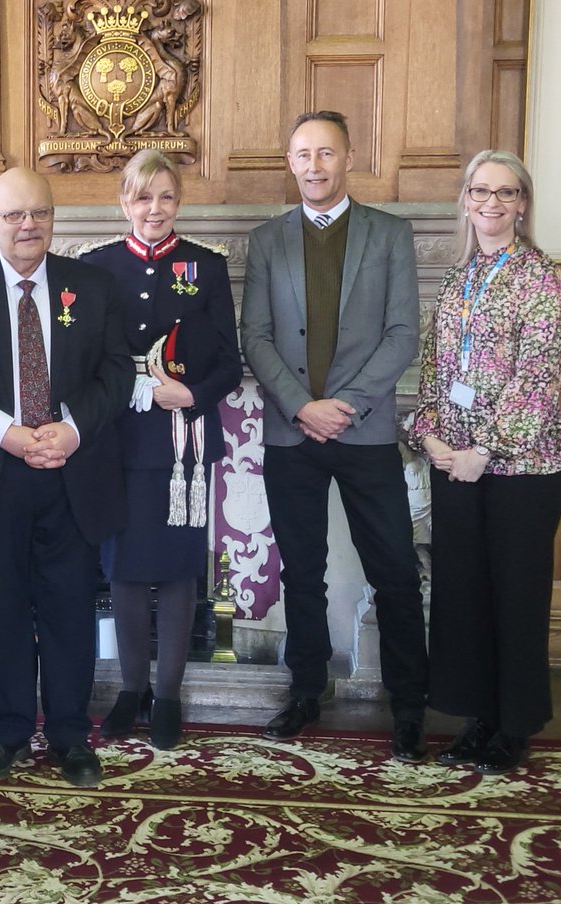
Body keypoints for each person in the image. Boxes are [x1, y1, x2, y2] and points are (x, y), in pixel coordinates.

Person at [0, 167, 134, 788]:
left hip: (72, 472)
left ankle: (70, 736)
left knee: (70, 610)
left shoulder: (91, 286)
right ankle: (9, 730)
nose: (27, 225)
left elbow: (117, 375)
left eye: (38, 213)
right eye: (13, 215)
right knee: (1, 610)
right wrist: (8, 433)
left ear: (53, 218)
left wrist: (70, 429)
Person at [240, 110, 429, 762]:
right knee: (303, 574)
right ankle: (305, 691)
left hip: (365, 429)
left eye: (326, 153)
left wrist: (343, 405)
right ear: (289, 163)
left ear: (349, 157)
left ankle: (409, 707)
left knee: (396, 572)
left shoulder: (388, 234)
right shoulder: (267, 241)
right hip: (293, 434)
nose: (314, 166)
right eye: (302, 155)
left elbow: (403, 332)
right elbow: (256, 339)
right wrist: (301, 407)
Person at [79, 150, 241, 749]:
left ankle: (167, 696)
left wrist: (190, 394)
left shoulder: (206, 267)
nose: (155, 209)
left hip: (184, 445)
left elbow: (230, 360)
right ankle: (129, 691)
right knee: (122, 570)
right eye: (143, 197)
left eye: (166, 197)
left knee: (176, 571)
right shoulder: (96, 269)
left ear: (180, 202)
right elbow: (87, 360)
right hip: (119, 442)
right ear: (124, 201)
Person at [408, 151, 561, 775]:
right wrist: (434, 438)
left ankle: (513, 726)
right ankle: (475, 719)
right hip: (455, 466)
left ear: (522, 203)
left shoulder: (543, 278)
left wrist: (484, 451)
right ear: (466, 201)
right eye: (480, 191)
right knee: (463, 597)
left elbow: (540, 376)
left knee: (516, 597)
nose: (491, 203)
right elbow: (437, 369)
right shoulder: (457, 279)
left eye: (505, 192)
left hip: (520, 469)